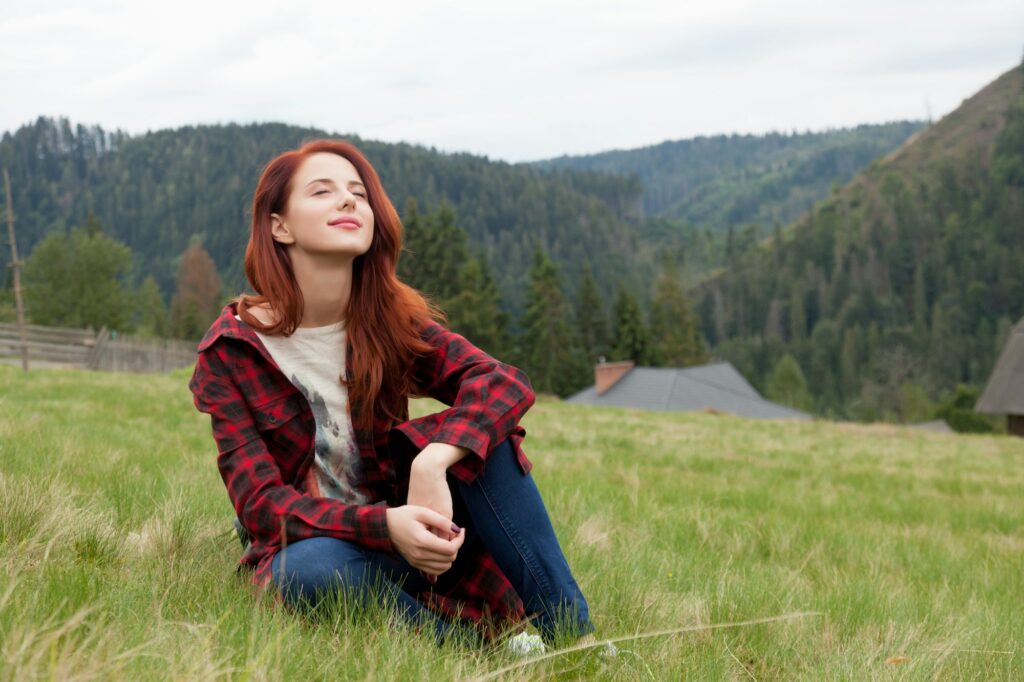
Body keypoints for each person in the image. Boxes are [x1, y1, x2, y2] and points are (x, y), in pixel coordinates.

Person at [187, 139, 593, 647]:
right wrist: (383, 525)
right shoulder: (231, 353)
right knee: (304, 570)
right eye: (322, 191)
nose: (349, 201)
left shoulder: (385, 321)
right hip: (329, 550)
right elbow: (263, 508)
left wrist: (433, 463)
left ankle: (577, 642)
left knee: (489, 441)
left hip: (420, 542)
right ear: (279, 226)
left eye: (359, 192)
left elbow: (501, 382)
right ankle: (463, 649)